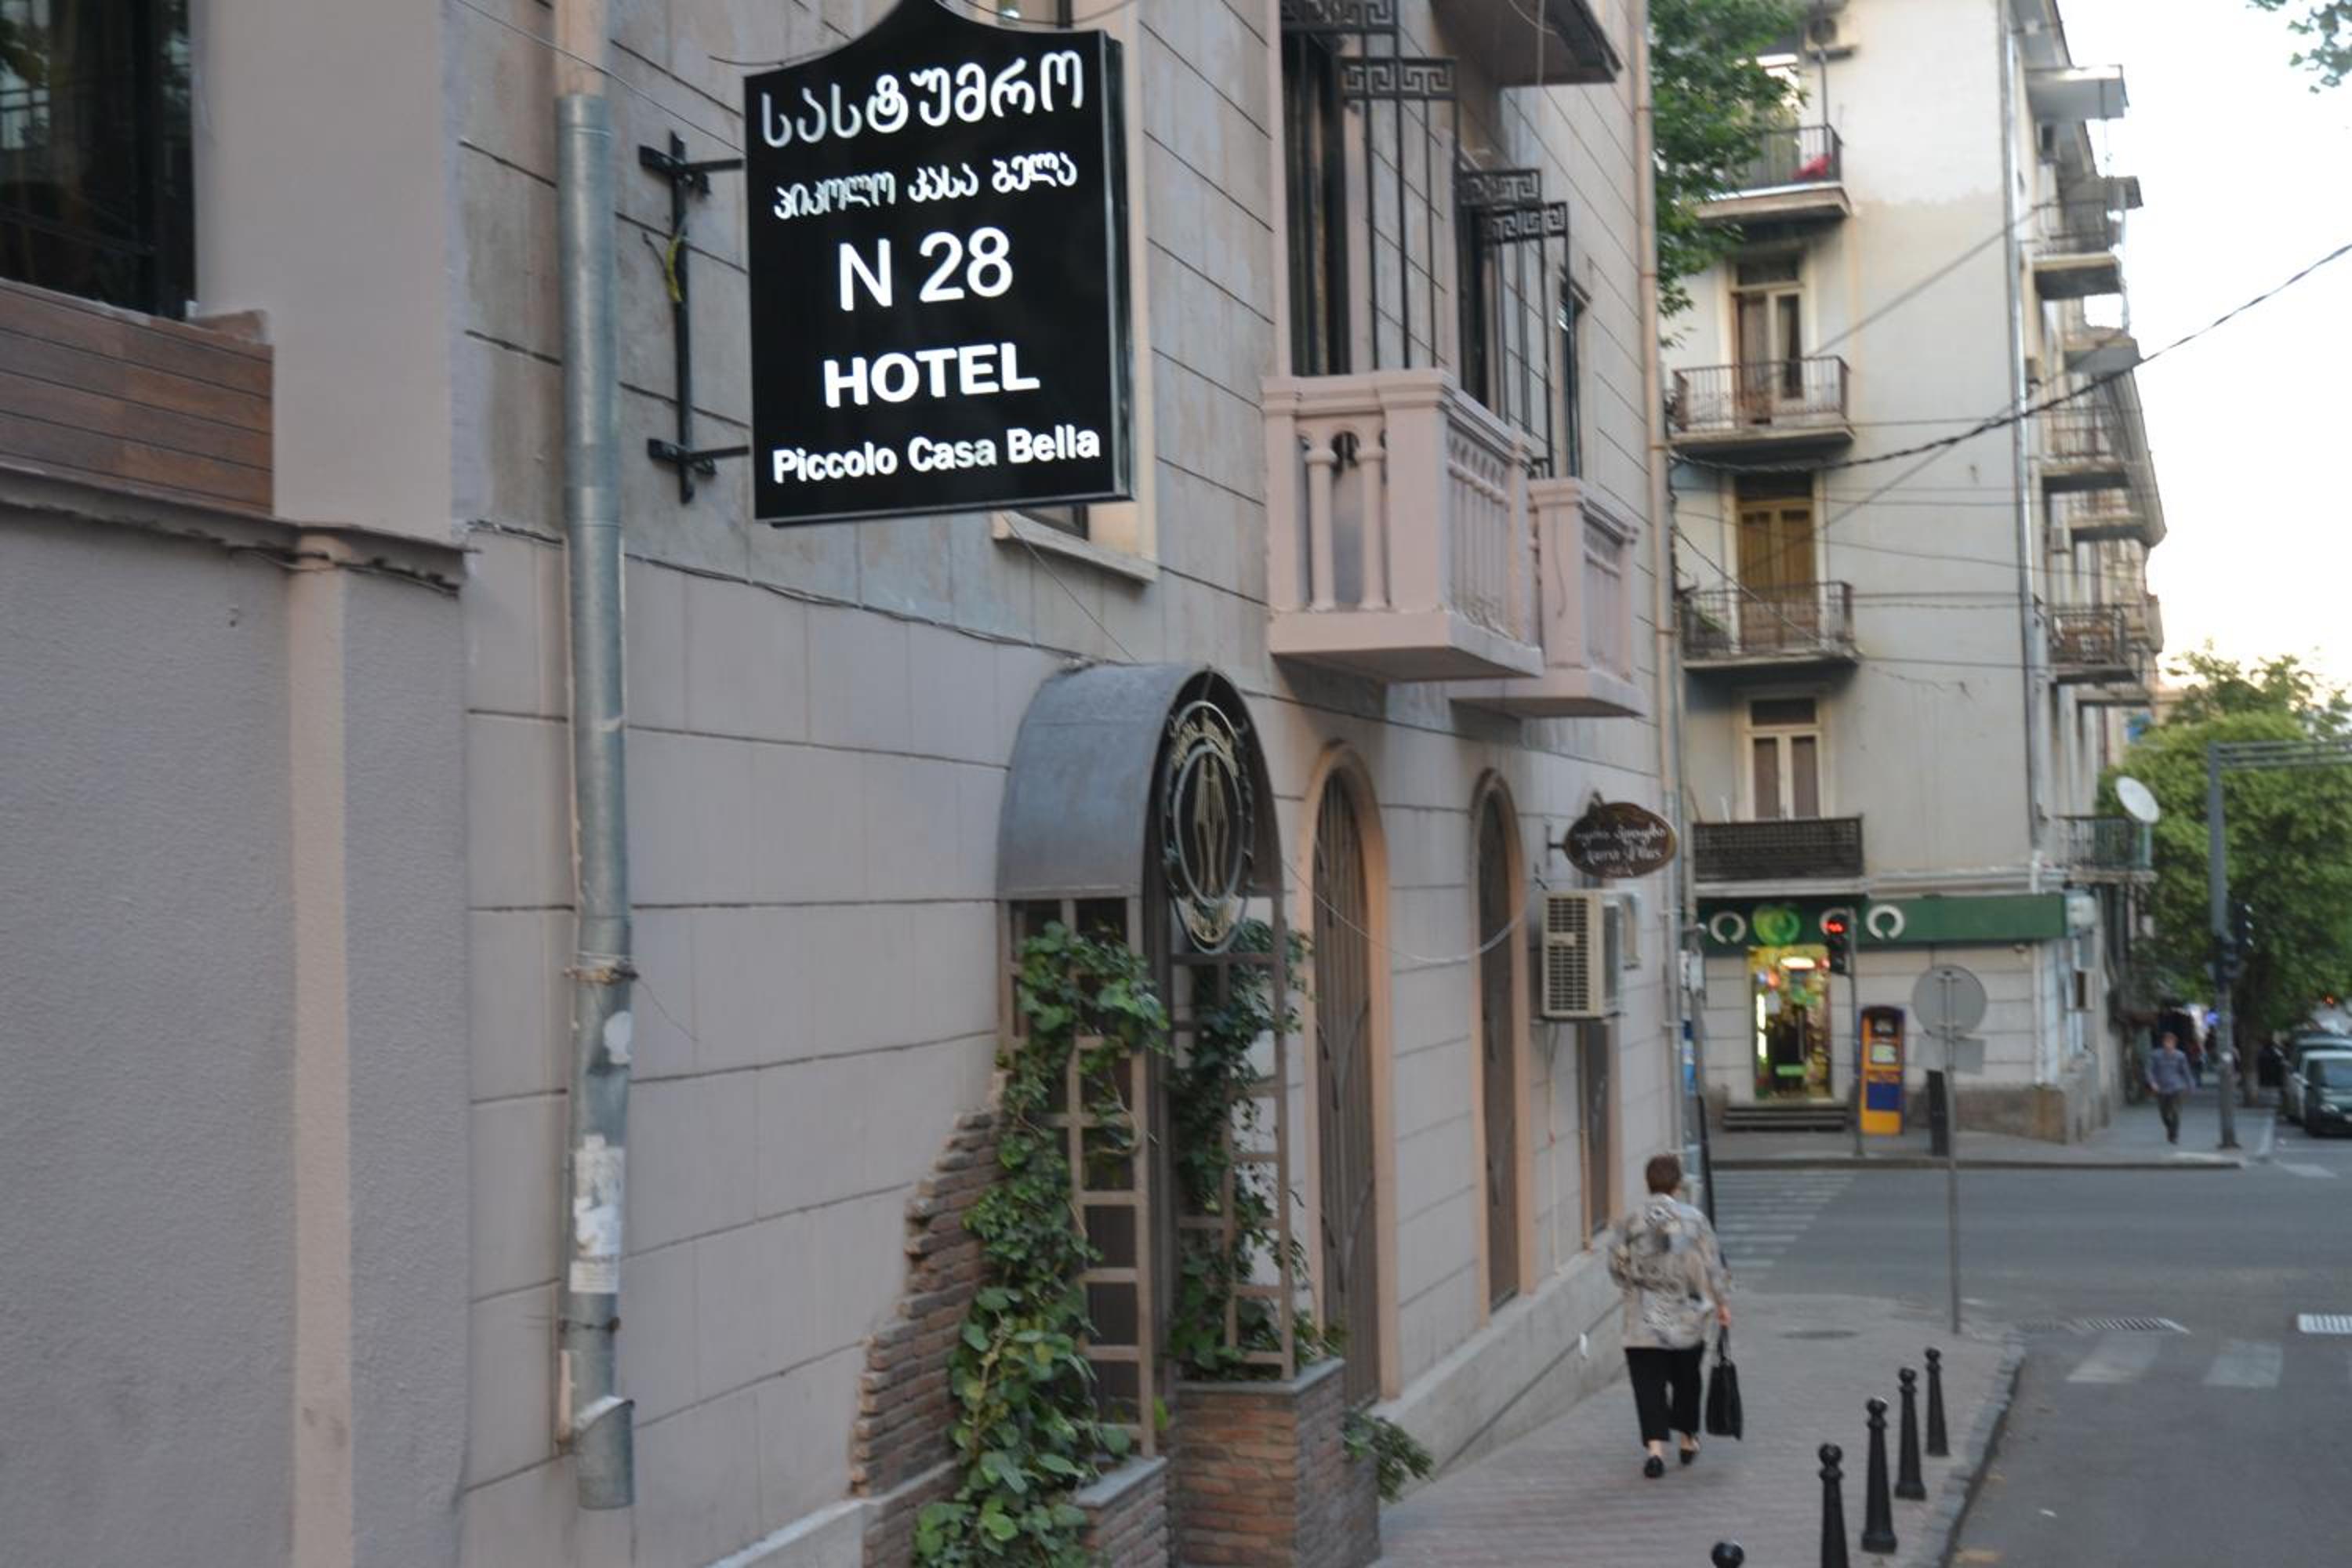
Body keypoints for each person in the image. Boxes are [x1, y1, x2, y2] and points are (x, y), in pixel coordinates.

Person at [1606, 1153, 1731, 1479]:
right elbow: (1713, 1264)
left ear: (1648, 1183)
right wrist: (1722, 1302)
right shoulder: (1694, 1219)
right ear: (1677, 1185)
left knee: (1648, 1383)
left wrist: (1634, 1284)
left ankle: (1655, 1452)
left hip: (1643, 1317)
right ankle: (1688, 1439)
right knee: (1687, 1379)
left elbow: (1616, 1266)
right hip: (1686, 1315)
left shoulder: (1631, 1220)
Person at [2147, 1031, 2194, 1144]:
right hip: (2161, 1088)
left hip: (2177, 1087)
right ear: (2163, 1043)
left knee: (2176, 1112)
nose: (2168, 1044)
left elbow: (2186, 1072)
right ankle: (2170, 1128)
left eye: (2171, 1042)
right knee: (2164, 1114)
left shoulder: (2180, 1056)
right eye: (2166, 1042)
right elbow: (2150, 1070)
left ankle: (2174, 1135)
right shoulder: (2156, 1055)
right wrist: (2152, 1082)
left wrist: (2190, 1085)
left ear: (2174, 1044)